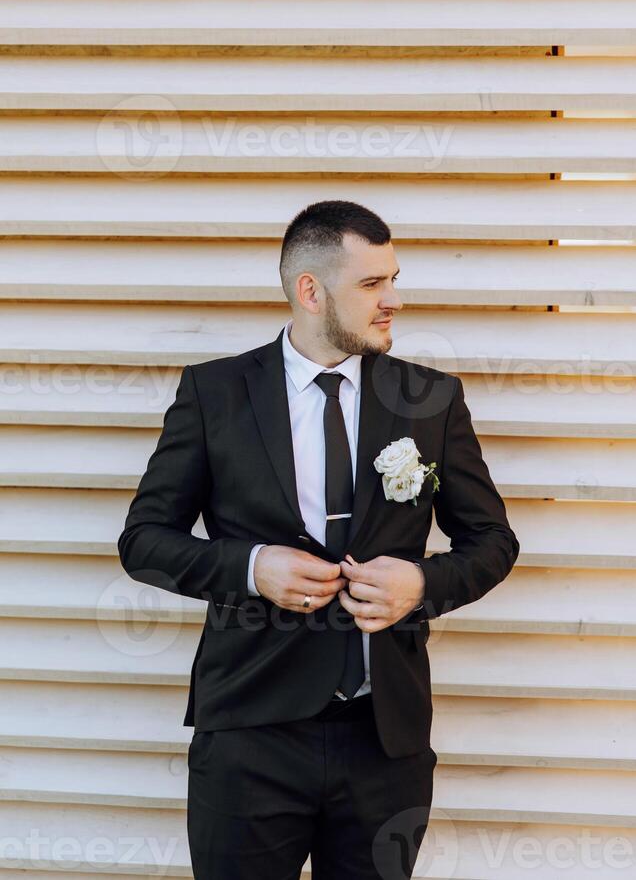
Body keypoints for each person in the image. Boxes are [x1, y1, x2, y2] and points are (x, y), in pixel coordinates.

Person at [117, 199, 520, 879]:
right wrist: (250, 568)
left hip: (384, 744)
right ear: (311, 291)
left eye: (394, 279)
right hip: (249, 736)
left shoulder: (432, 399)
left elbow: (492, 540)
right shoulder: (215, 394)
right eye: (371, 284)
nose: (392, 299)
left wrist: (422, 584)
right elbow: (144, 539)